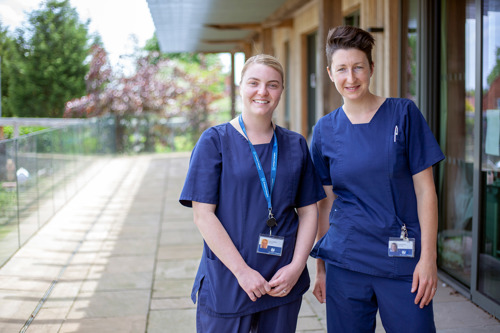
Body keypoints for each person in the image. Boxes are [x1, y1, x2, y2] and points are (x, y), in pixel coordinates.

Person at [310, 26, 445, 333]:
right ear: (330, 73)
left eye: (358, 67)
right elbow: (325, 203)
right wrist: (321, 266)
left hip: (402, 260)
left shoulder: (404, 114)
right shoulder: (324, 130)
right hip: (345, 262)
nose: (351, 78)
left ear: (371, 67)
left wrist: (428, 259)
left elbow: (426, 192)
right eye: (342, 69)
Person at [180, 54, 326, 332]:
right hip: (230, 280)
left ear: (282, 90)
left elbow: (309, 211)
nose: (262, 91)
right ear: (240, 87)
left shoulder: (295, 144)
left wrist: (297, 266)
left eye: (272, 85)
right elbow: (203, 216)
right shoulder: (214, 141)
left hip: (282, 280)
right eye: (254, 83)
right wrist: (243, 272)